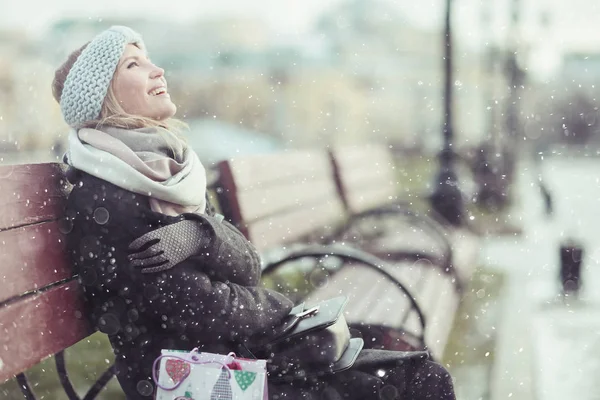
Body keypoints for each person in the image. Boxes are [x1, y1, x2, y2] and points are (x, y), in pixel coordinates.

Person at [54, 26, 456, 400]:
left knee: (416, 375)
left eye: (148, 59)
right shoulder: (108, 197)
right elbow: (195, 309)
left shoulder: (166, 171)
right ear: (105, 95)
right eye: (133, 65)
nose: (157, 70)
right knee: (413, 382)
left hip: (230, 354)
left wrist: (204, 234)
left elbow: (247, 266)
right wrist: (284, 313)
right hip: (194, 378)